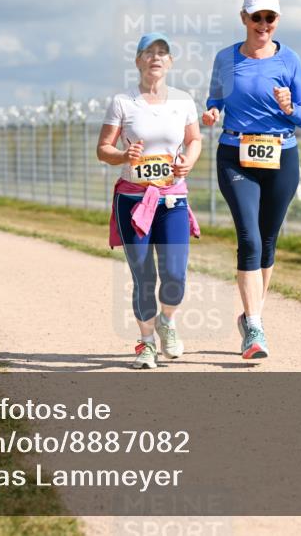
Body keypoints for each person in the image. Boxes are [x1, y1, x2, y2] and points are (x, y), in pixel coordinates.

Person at [202, 0, 301, 360]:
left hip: (282, 154)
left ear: (277, 21)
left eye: (270, 18)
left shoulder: (290, 59)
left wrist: (289, 107)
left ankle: (252, 317)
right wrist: (212, 113)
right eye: (256, 17)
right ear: (243, 19)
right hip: (236, 153)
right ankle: (254, 327)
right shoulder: (226, 59)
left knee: (267, 241)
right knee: (248, 237)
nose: (263, 24)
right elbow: (215, 99)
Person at [98, 33, 202, 369]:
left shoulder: (184, 101)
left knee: (175, 276)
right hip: (133, 200)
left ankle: (166, 322)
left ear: (170, 62)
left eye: (163, 53)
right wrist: (122, 155)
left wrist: (189, 159)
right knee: (144, 276)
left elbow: (194, 139)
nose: (156, 58)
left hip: (172, 199)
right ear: (139, 61)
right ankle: (145, 344)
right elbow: (103, 149)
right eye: (149, 53)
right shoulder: (123, 102)